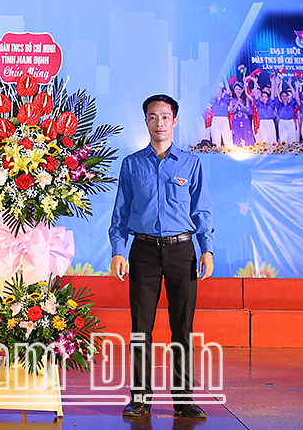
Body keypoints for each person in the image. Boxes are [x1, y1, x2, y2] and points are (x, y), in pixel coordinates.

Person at [109, 94, 214, 419]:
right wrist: (117, 251)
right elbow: (120, 212)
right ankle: (140, 398)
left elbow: (202, 210)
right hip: (142, 251)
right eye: (153, 117)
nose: (159, 123)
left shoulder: (191, 163)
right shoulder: (132, 164)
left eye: (165, 117)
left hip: (182, 251)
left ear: (175, 121)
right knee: (141, 328)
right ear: (146, 122)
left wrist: (207, 249)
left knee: (182, 328)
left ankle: (184, 400)